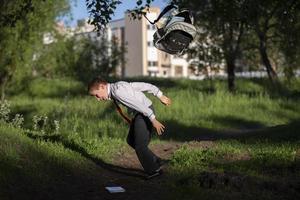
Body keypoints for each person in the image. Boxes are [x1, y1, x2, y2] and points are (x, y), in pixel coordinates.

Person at [88, 77, 171, 179]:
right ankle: (156, 160)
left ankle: (155, 171)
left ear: (102, 86)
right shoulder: (119, 85)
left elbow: (139, 105)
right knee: (131, 140)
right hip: (142, 112)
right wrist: (159, 95)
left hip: (144, 112)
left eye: (97, 95)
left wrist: (153, 120)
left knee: (140, 146)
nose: (97, 99)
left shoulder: (118, 92)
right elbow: (143, 85)